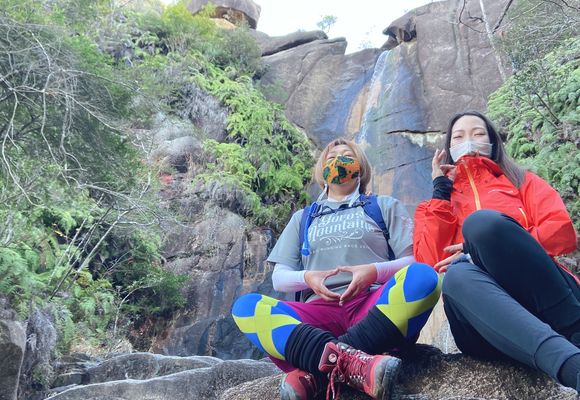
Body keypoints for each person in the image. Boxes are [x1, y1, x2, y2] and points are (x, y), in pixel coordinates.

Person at [232, 138, 441, 400]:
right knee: (246, 308)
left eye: (346, 156)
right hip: (317, 314)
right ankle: (356, 364)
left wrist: (373, 272)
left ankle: (316, 373)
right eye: (331, 158)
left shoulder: (383, 206)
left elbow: (411, 261)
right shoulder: (303, 217)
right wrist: (308, 277)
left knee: (424, 277)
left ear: (360, 167)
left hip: (374, 308)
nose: (338, 161)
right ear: (322, 170)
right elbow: (279, 278)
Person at [413, 111, 580, 392]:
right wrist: (440, 192)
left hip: (548, 302)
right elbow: (429, 265)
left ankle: (571, 363)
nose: (469, 141)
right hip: (487, 324)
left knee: (482, 225)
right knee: (457, 276)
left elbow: (562, 231)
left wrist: (480, 249)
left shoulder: (521, 181)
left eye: (478, 133)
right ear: (448, 149)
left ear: (492, 142)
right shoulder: (436, 205)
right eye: (458, 137)